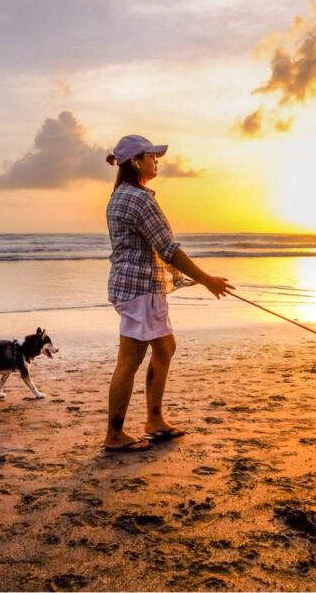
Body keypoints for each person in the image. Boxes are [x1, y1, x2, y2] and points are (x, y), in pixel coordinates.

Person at [103, 134, 235, 452]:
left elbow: (159, 248)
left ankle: (154, 420)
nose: (156, 160)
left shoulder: (122, 195)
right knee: (129, 360)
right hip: (139, 290)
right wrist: (207, 280)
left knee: (165, 349)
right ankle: (115, 434)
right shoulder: (139, 199)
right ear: (135, 162)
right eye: (151, 156)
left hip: (138, 288)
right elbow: (168, 249)